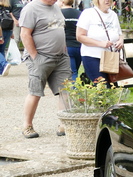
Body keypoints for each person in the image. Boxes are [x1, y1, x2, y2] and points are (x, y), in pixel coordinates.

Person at [19, 0, 71, 139]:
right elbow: (24, 34)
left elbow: (60, 28)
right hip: (40, 57)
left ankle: (63, 123)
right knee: (35, 91)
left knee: (65, 90)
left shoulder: (55, 7)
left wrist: (63, 49)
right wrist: (35, 57)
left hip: (60, 57)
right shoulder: (31, 8)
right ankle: (27, 125)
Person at [76, 0, 123, 85]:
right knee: (101, 86)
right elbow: (80, 36)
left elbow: (119, 34)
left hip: (110, 57)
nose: (107, 1)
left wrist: (120, 41)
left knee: (113, 87)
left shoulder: (113, 15)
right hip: (93, 55)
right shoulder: (88, 13)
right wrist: (100, 43)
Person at [60, 0, 80, 82]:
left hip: (66, 46)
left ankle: (75, 93)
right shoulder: (79, 13)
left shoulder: (59, 13)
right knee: (76, 71)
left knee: (72, 72)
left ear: (62, 1)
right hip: (79, 46)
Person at [0, 0, 16, 77]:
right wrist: (12, 32)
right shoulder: (8, 7)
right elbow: (12, 19)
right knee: (1, 50)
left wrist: (0, 36)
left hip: (1, 30)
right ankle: (2, 69)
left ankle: (4, 63)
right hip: (8, 30)